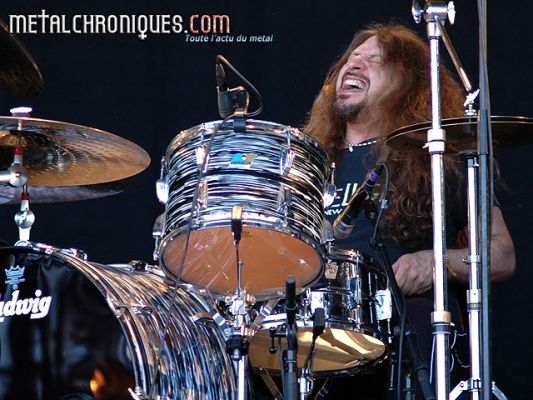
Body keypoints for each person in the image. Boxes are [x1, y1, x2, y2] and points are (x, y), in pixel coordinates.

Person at [303, 23, 516, 398]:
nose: (354, 64)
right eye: (352, 57)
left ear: (409, 85)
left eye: (374, 60)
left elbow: (501, 255)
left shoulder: (439, 158)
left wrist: (436, 263)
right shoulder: (308, 164)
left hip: (405, 337)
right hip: (316, 338)